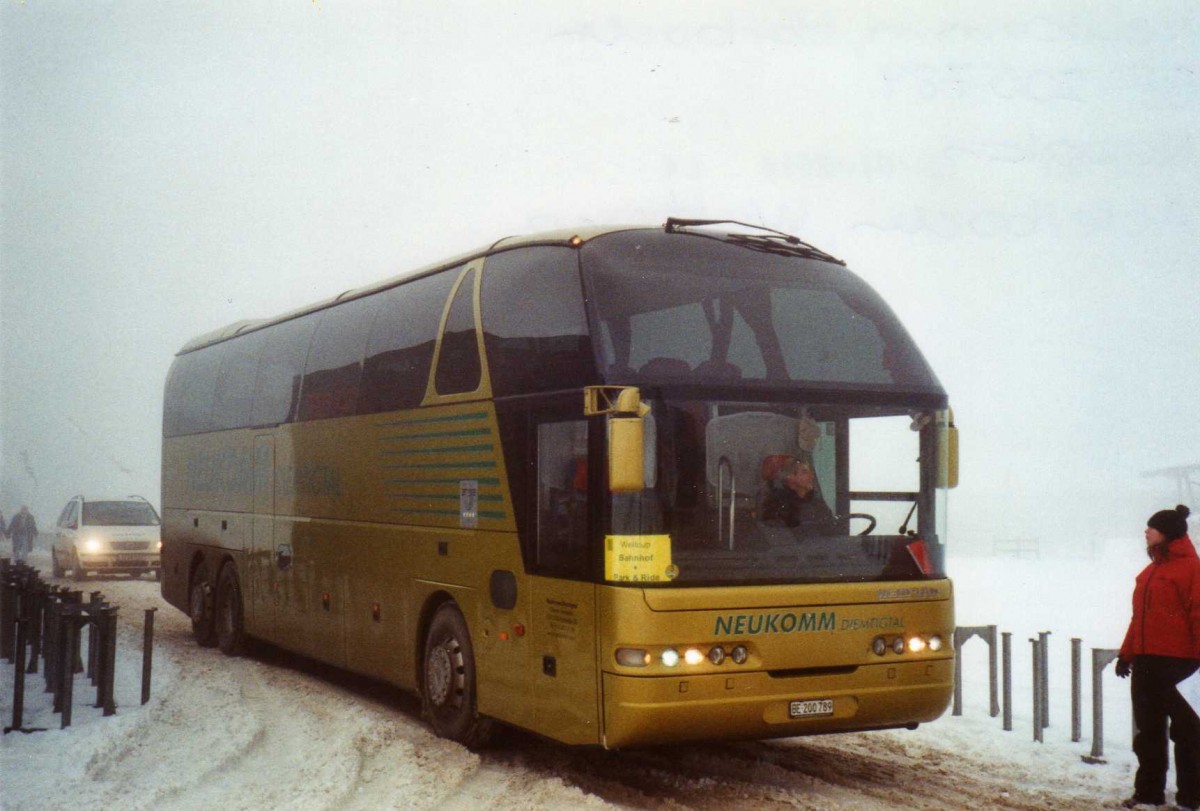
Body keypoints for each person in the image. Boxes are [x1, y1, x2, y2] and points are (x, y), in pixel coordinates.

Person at [1116, 504, 1200, 810]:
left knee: (1188, 735)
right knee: (1148, 733)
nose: (1146, 531)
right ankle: (1148, 795)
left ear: (1168, 533)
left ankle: (1190, 799)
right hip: (1147, 664)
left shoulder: (1192, 569)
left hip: (1181, 666)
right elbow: (1139, 619)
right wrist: (1127, 654)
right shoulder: (1149, 572)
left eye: (1152, 527)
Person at [758, 454, 835, 533]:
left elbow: (831, 526)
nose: (811, 476)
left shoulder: (817, 502)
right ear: (790, 477)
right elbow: (780, 533)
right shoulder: (777, 504)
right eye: (804, 472)